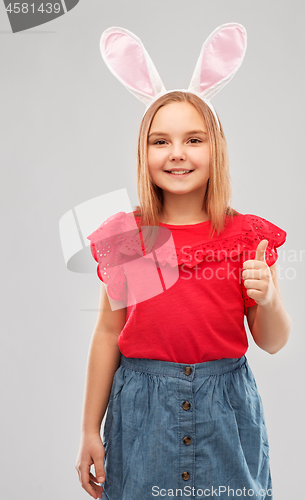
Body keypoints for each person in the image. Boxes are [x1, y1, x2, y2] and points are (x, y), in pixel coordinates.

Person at [75, 24, 291, 500]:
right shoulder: (130, 237)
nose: (177, 154)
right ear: (143, 151)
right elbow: (109, 332)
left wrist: (269, 298)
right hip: (142, 414)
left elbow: (271, 341)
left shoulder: (245, 238)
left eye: (194, 140)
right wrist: (91, 428)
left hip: (226, 414)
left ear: (217, 149)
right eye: (160, 142)